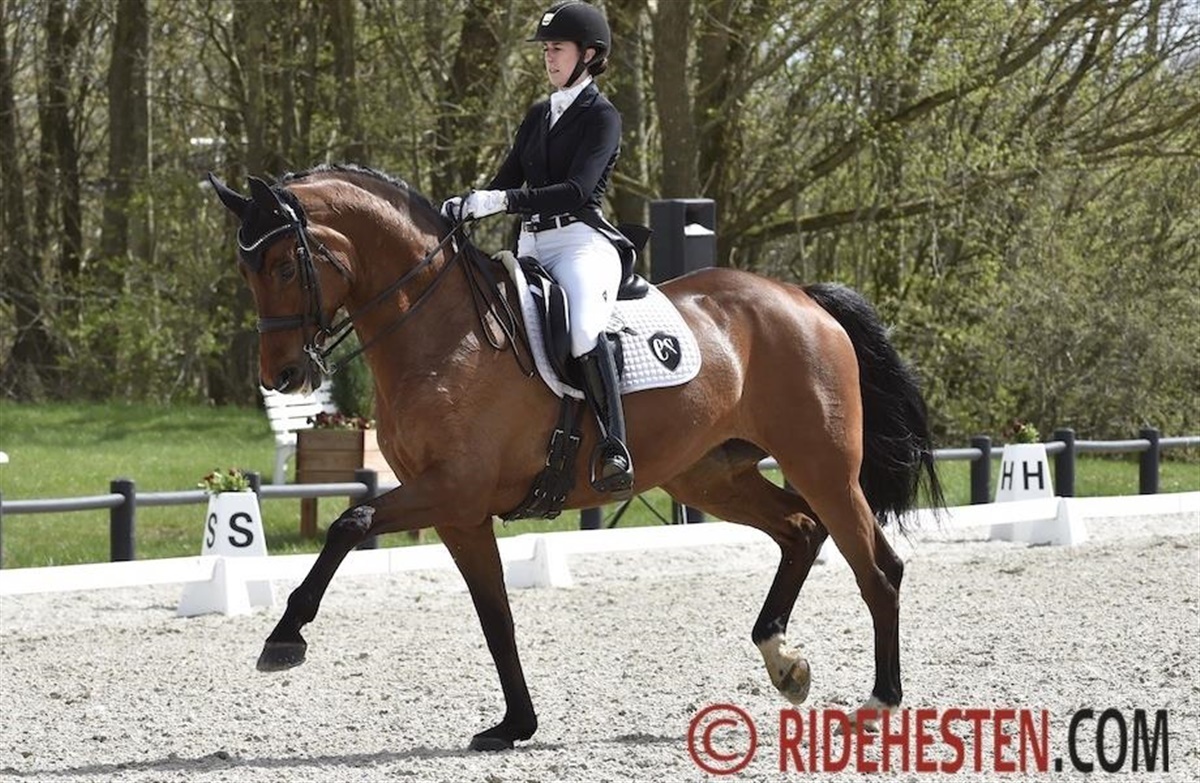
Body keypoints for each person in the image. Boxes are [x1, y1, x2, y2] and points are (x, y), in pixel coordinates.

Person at [442, 0, 634, 497]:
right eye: (546, 49)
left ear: (589, 54)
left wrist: (503, 201)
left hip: (579, 244)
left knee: (583, 330)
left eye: (557, 49)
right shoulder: (538, 115)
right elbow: (506, 180)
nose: (548, 58)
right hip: (529, 244)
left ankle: (614, 445)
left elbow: (576, 190)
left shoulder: (602, 117)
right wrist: (468, 204)